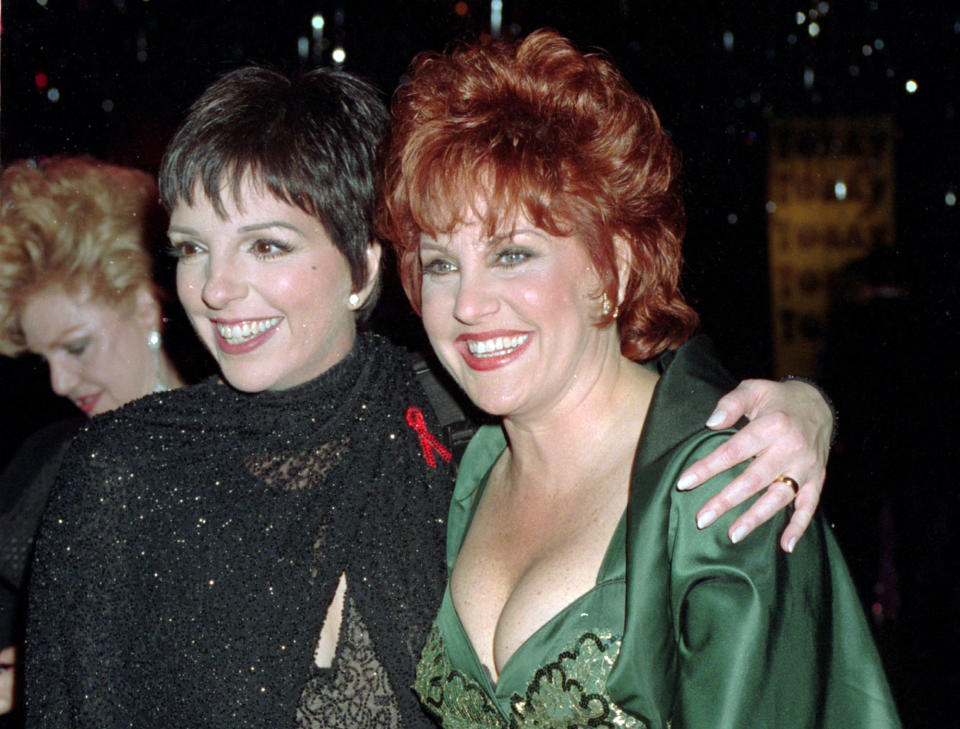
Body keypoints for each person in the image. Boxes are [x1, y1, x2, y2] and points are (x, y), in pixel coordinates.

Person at [26, 66, 833, 728]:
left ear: (365, 267)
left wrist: (804, 406)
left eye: (267, 243)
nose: (217, 287)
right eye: (191, 249)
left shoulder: (443, 434)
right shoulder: (122, 471)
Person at [378, 30, 901, 727]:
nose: (467, 305)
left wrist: (814, 403)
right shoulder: (470, 467)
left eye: (512, 255)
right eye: (442, 263)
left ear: (614, 267)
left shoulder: (726, 483)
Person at [0, 157, 186, 720]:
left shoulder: (234, 450)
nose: (59, 382)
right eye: (44, 358)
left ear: (144, 305)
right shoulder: (44, 456)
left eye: (76, 346)